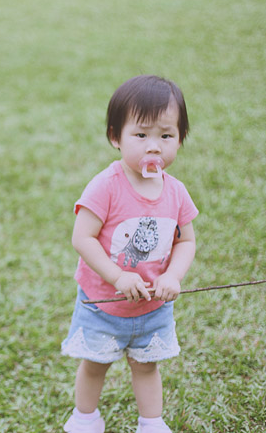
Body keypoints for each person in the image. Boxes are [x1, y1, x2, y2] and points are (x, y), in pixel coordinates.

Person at [61, 75, 198, 433]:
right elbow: (82, 237)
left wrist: (172, 276)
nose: (154, 147)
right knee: (94, 364)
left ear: (180, 139)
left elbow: (185, 241)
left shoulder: (176, 192)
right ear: (114, 137)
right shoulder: (106, 186)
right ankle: (85, 417)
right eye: (141, 135)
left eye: (166, 136)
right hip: (103, 304)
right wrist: (118, 276)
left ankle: (151, 422)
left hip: (153, 307)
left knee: (146, 366)